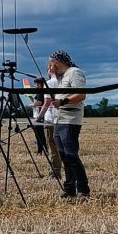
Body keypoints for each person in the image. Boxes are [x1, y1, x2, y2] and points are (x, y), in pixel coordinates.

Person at [49, 50, 90, 199]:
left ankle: (83, 189)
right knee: (64, 156)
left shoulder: (74, 72)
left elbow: (81, 94)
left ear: (58, 61)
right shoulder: (61, 77)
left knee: (71, 155)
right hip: (59, 119)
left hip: (70, 120)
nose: (50, 66)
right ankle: (70, 187)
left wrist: (63, 102)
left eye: (51, 63)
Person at [30, 77, 48, 155]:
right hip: (37, 115)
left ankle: (41, 150)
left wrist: (32, 105)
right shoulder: (40, 92)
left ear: (39, 84)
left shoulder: (41, 92)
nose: (34, 85)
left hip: (39, 116)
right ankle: (41, 150)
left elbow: (39, 103)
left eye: (35, 84)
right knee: (39, 134)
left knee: (39, 134)